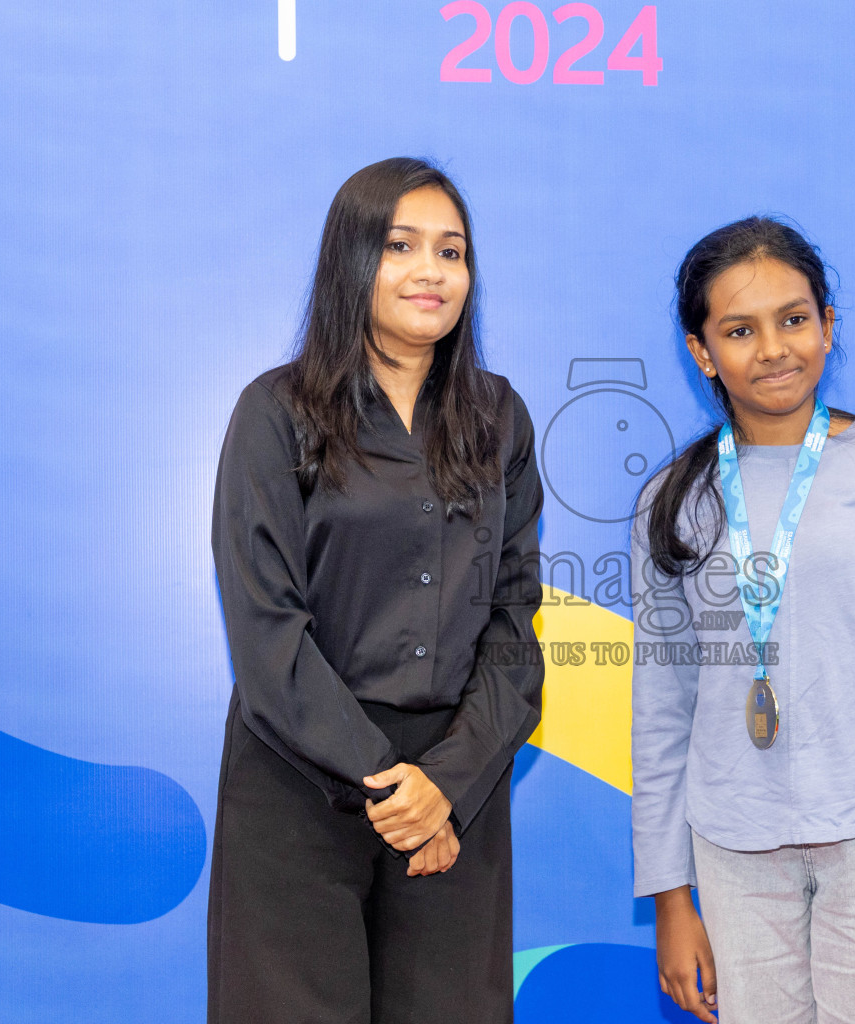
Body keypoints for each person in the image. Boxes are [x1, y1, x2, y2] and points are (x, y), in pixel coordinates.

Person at [207, 157, 544, 1024]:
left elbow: (514, 622)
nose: (432, 271)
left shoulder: (499, 417)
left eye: (452, 251)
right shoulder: (276, 411)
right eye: (401, 246)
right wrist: (385, 781)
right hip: (299, 776)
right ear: (352, 260)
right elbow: (265, 628)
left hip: (452, 791)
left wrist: (446, 786)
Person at [630, 217, 855, 1023]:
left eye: (794, 319)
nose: (773, 348)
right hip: (731, 852)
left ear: (829, 327)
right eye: (739, 330)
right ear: (701, 352)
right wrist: (669, 899)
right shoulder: (672, 502)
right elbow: (661, 712)